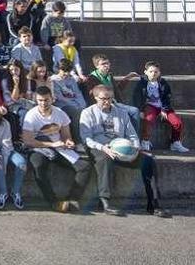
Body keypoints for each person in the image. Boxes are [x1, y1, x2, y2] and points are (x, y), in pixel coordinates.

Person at [80, 85, 169, 217]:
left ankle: (154, 203)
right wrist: (103, 148)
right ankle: (105, 202)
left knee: (148, 161)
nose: (107, 101)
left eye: (110, 98)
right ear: (95, 98)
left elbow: (131, 134)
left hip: (122, 147)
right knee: (104, 160)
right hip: (99, 147)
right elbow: (86, 138)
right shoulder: (87, 113)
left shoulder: (121, 112)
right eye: (103, 99)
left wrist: (136, 147)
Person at [22, 86, 92, 213]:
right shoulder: (31, 116)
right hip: (39, 148)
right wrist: (51, 145)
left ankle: (72, 199)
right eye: (40, 100)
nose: (43, 103)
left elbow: (66, 135)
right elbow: (28, 141)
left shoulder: (60, 113)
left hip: (59, 147)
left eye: (46, 100)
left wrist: (68, 142)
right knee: (38, 165)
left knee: (84, 167)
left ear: (52, 99)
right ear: (36, 100)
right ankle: (53, 202)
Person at [132, 61, 189, 152]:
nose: (153, 74)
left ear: (159, 72)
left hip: (163, 107)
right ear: (145, 72)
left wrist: (164, 109)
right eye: (151, 71)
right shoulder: (142, 83)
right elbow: (136, 97)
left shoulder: (163, 83)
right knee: (148, 119)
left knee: (177, 122)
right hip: (150, 106)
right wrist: (140, 110)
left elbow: (167, 97)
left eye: (156, 72)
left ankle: (175, 143)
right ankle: (145, 141)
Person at [83, 54, 141, 134]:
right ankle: (132, 137)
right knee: (134, 111)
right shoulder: (91, 78)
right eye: (103, 64)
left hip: (115, 103)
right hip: (105, 104)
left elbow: (117, 90)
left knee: (134, 111)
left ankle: (133, 139)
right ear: (97, 66)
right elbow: (93, 96)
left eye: (108, 63)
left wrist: (127, 78)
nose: (106, 66)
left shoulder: (109, 75)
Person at [49, 58, 87, 143]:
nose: (66, 73)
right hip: (62, 105)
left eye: (68, 71)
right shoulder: (54, 80)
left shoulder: (71, 80)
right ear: (58, 69)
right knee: (76, 112)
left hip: (75, 104)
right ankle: (78, 141)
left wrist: (82, 105)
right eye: (64, 71)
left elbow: (78, 93)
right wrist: (76, 106)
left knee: (85, 111)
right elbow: (60, 97)